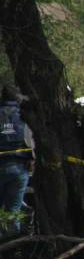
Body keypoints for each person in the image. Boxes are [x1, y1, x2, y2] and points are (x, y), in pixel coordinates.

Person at [0, 84, 34, 238]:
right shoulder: (25, 116)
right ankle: (13, 245)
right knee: (13, 212)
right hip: (19, 169)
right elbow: (32, 143)